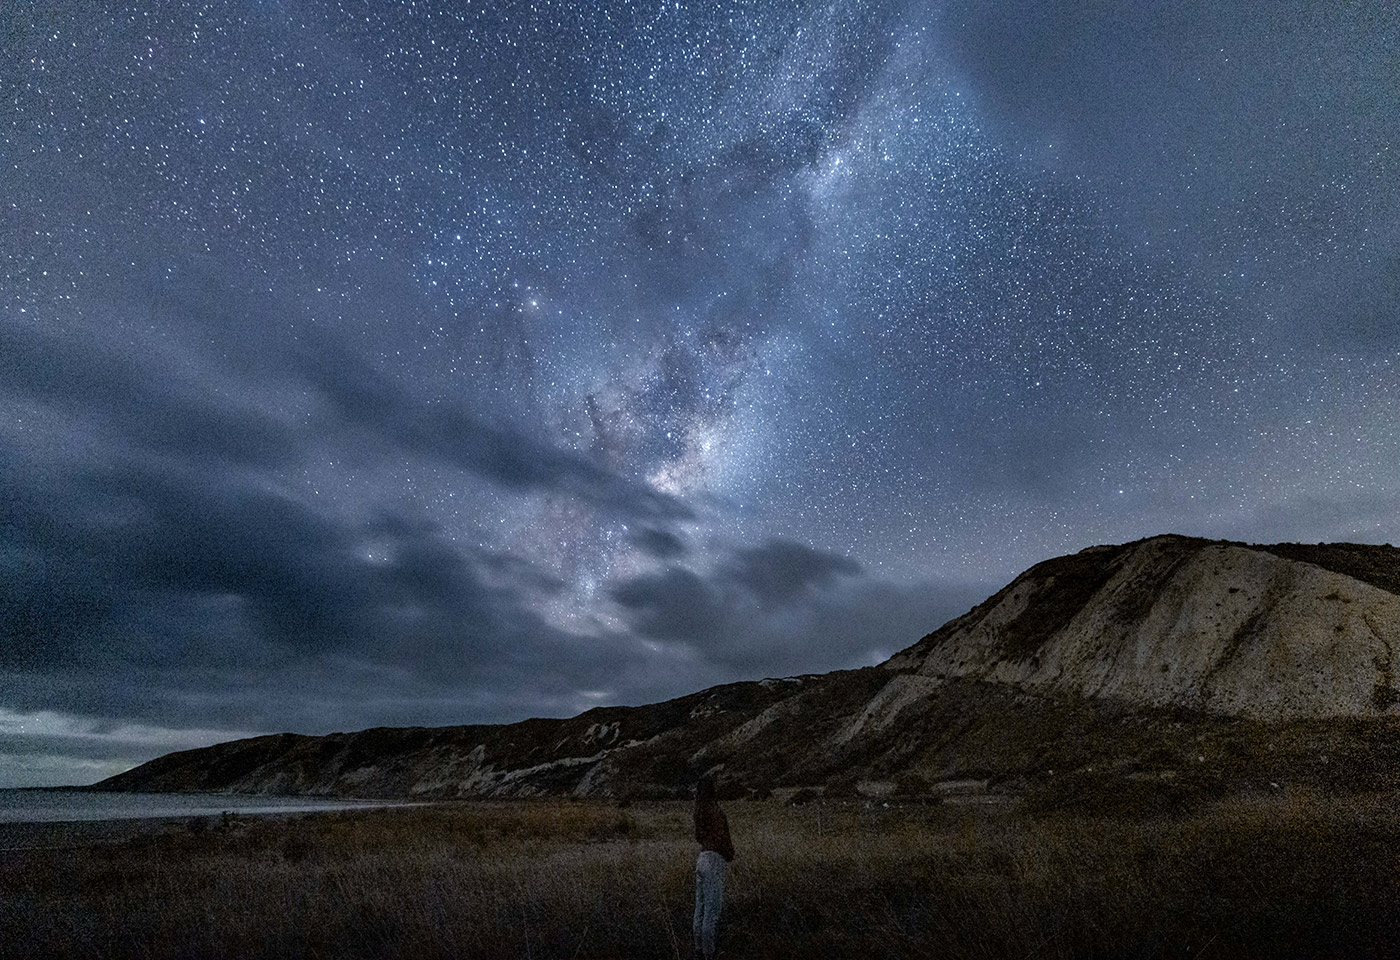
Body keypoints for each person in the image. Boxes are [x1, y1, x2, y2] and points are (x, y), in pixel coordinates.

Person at [692, 773, 735, 960]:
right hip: (714, 859)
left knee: (700, 907)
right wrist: (729, 853)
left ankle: (699, 949)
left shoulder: (698, 810)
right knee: (712, 908)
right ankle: (710, 953)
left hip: (701, 857)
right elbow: (721, 837)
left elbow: (699, 837)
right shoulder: (715, 810)